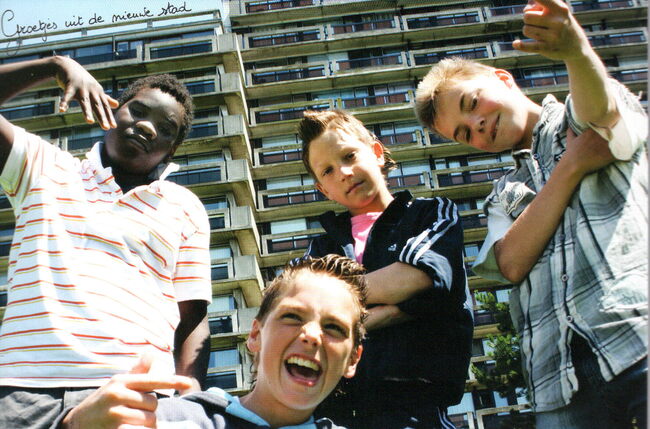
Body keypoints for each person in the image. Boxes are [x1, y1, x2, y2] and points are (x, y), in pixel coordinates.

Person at [414, 0, 647, 427]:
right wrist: (572, 166)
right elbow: (509, 262)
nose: (476, 125)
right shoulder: (501, 193)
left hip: (634, 336)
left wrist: (576, 51)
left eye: (472, 103)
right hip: (558, 378)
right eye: (463, 133)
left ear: (503, 79)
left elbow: (601, 113)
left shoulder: (576, 116)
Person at [0, 56, 212, 428]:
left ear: (172, 150)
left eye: (166, 128)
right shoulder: (43, 166)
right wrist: (55, 66)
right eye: (138, 111)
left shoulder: (185, 207)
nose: (146, 126)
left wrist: (190, 400)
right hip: (21, 390)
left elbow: (192, 317)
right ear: (112, 110)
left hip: (136, 394)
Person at [298, 109, 473, 429]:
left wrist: (339, 317)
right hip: (334, 414)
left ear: (377, 152)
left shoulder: (431, 214)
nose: (344, 172)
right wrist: (399, 310)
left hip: (419, 409)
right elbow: (302, 315)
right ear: (323, 189)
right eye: (328, 170)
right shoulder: (320, 249)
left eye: (349, 156)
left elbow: (419, 277)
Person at [53, 254, 367, 429]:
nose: (311, 335)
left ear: (353, 359)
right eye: (293, 317)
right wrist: (74, 426)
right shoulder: (166, 420)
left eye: (334, 327)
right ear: (255, 335)